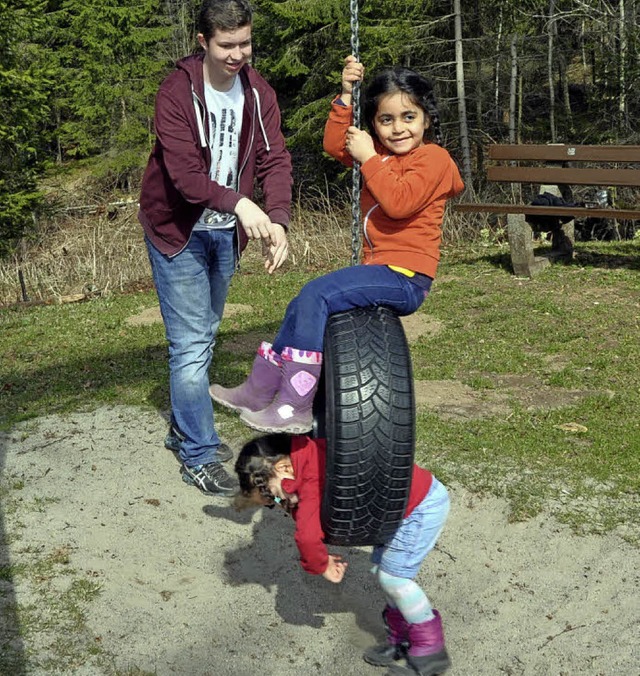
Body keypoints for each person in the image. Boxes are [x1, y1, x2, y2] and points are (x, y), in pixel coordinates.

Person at [210, 55, 463, 434]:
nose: (397, 129)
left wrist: (369, 159)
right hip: (381, 271)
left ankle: (294, 406)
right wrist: (346, 96)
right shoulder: (379, 156)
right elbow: (335, 144)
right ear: (374, 124)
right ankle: (259, 390)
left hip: (407, 277)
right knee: (302, 303)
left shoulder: (434, 158)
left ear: (426, 118)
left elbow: (399, 203)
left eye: (408, 117)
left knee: (317, 295)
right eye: (385, 119)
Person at [138, 0, 292, 495]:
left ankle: (185, 428)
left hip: (225, 234)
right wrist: (243, 204)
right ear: (202, 42)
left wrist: (279, 220)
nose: (238, 54)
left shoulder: (257, 91)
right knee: (190, 346)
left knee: (206, 330)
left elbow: (276, 159)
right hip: (176, 230)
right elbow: (184, 178)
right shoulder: (176, 92)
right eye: (227, 45)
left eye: (245, 42)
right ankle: (199, 455)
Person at [234, 433, 451, 675]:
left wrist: (322, 564)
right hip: (393, 511)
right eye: (272, 501)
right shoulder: (307, 456)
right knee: (384, 575)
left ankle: (430, 650)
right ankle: (403, 639)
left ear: (284, 466)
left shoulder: (311, 476)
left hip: (420, 507)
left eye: (274, 493)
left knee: (395, 580)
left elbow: (307, 535)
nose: (278, 500)